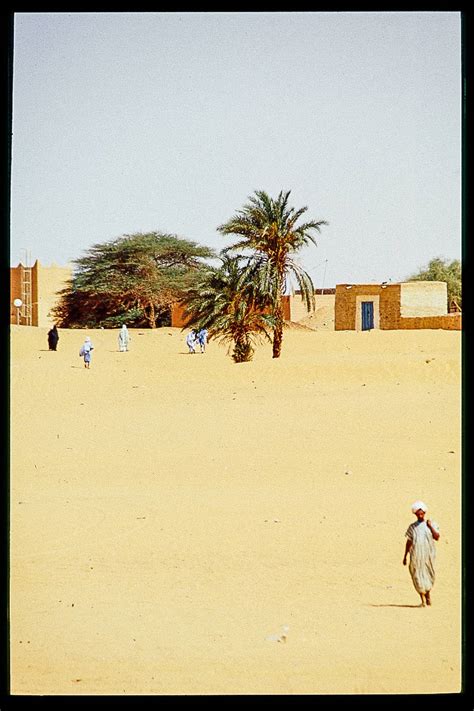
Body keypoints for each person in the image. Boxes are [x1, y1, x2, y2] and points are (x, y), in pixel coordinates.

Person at [403, 500, 440, 607]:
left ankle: (428, 595)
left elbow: (437, 537)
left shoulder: (431, 523)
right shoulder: (412, 527)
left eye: (421, 513)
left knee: (429, 574)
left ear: (424, 513)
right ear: (415, 514)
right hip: (416, 556)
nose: (420, 515)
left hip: (428, 555)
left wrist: (430, 526)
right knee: (417, 575)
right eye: (418, 513)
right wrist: (405, 556)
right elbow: (409, 541)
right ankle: (423, 600)